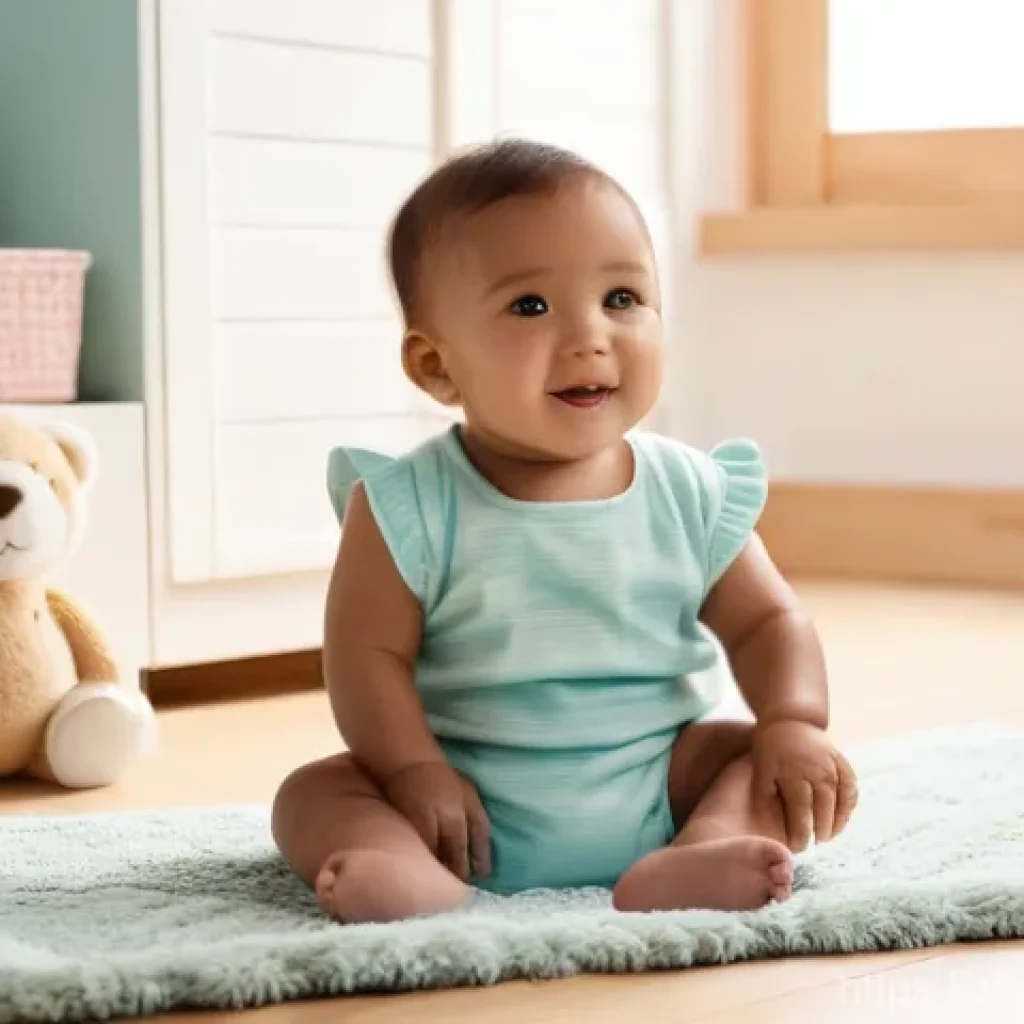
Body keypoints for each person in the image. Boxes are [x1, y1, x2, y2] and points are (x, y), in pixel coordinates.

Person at [271, 139, 858, 923]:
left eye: (622, 298)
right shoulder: (407, 504)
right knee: (312, 794)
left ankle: (698, 851)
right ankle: (402, 871)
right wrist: (412, 770)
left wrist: (793, 721)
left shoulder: (690, 491)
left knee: (753, 757)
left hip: (657, 780)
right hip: (457, 801)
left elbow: (769, 619)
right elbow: (364, 658)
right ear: (436, 365)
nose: (592, 336)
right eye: (530, 306)